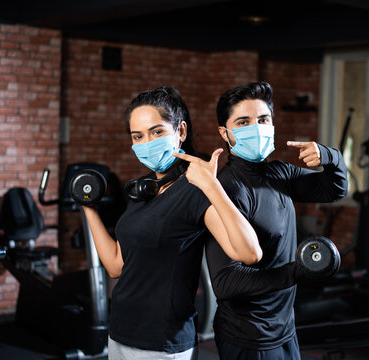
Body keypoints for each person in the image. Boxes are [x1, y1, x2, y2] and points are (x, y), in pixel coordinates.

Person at [80, 86, 262, 360]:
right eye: (137, 136)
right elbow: (116, 265)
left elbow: (249, 253)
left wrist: (213, 187)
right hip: (120, 331)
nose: (147, 143)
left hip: (163, 342)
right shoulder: (144, 191)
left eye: (157, 132)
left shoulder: (196, 191)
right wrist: (88, 208)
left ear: (181, 131)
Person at [205, 81, 348, 359]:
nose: (255, 128)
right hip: (249, 337)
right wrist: (299, 270)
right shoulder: (227, 190)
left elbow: (334, 189)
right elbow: (226, 282)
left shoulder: (280, 174)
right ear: (225, 132)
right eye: (243, 122)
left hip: (284, 327)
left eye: (263, 119)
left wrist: (329, 157)